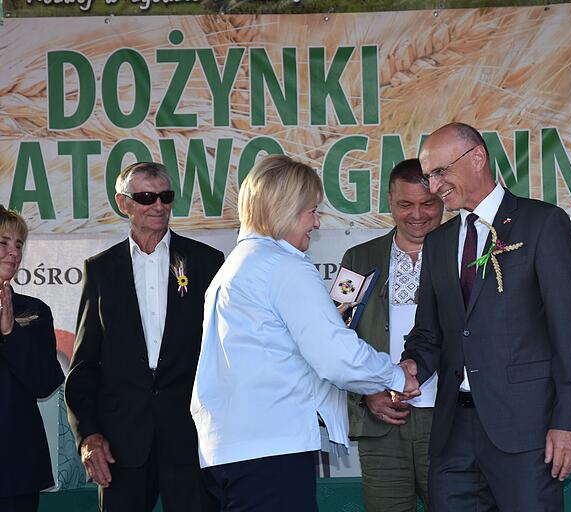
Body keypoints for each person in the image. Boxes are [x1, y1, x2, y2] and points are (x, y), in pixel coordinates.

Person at [191, 154, 420, 512]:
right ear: (285, 209)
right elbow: (334, 354)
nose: (316, 222)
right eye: (311, 210)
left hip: (231, 448)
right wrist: (393, 375)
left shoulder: (238, 264)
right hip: (270, 447)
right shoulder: (283, 265)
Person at [401, 122, 571, 511]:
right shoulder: (437, 242)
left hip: (527, 432)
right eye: (428, 176)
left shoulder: (542, 223)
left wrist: (569, 422)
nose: (434, 186)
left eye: (440, 172)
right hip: (453, 434)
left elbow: (570, 333)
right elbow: (428, 334)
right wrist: (406, 369)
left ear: (476, 158)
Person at [64, 162, 224, 512]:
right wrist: (89, 436)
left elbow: (225, 353)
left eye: (165, 196)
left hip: (192, 440)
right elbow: (85, 364)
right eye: (146, 196)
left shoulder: (206, 262)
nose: (158, 205)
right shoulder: (101, 270)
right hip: (121, 446)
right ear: (124, 204)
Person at [341, 159, 443, 512]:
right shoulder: (358, 258)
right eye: (405, 204)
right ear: (389, 201)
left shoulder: (466, 256)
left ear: (442, 199)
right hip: (381, 422)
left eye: (427, 203)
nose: (417, 214)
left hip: (450, 422)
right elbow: (337, 338)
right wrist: (367, 392)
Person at [0, 205, 65, 512]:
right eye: (4, 243)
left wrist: (12, 331)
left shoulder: (35, 309)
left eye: (19, 245)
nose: (13, 252)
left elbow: (46, 382)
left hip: (17, 469)